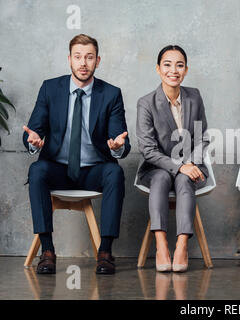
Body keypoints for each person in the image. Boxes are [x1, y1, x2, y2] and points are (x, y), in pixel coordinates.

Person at [23, 34, 130, 275]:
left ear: (98, 61)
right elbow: (34, 129)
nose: (83, 63)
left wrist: (117, 146)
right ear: (69, 59)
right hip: (58, 170)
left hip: (94, 171)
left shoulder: (111, 94)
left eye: (89, 57)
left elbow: (120, 137)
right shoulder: (50, 88)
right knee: (37, 170)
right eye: (78, 57)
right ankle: (48, 251)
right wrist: (34, 142)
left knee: (114, 172)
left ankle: (105, 252)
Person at [136, 45, 210, 272]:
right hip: (156, 166)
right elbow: (148, 150)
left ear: (186, 70)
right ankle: (161, 245)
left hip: (190, 165)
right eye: (167, 64)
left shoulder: (194, 97)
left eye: (179, 65)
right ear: (158, 69)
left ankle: (181, 246)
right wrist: (179, 166)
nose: (173, 70)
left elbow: (202, 138)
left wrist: (190, 165)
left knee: (185, 180)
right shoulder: (146, 103)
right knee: (160, 179)